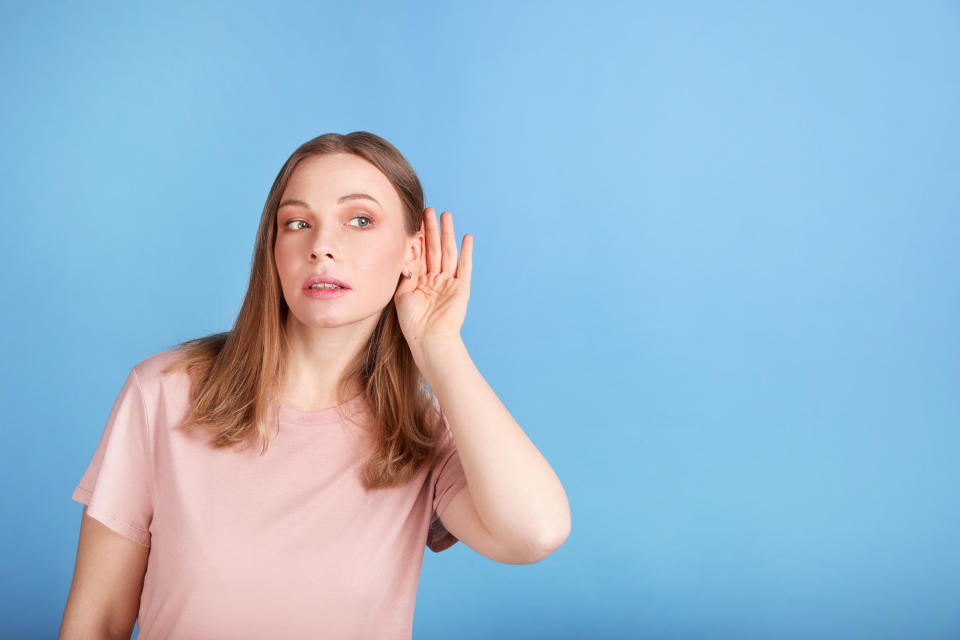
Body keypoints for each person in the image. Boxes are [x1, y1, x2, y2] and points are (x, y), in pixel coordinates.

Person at [59, 131, 571, 639]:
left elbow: (535, 533)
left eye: (360, 221)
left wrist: (439, 347)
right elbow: (96, 621)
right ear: (274, 249)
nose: (322, 247)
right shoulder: (164, 393)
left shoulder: (416, 432)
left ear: (412, 252)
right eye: (298, 223)